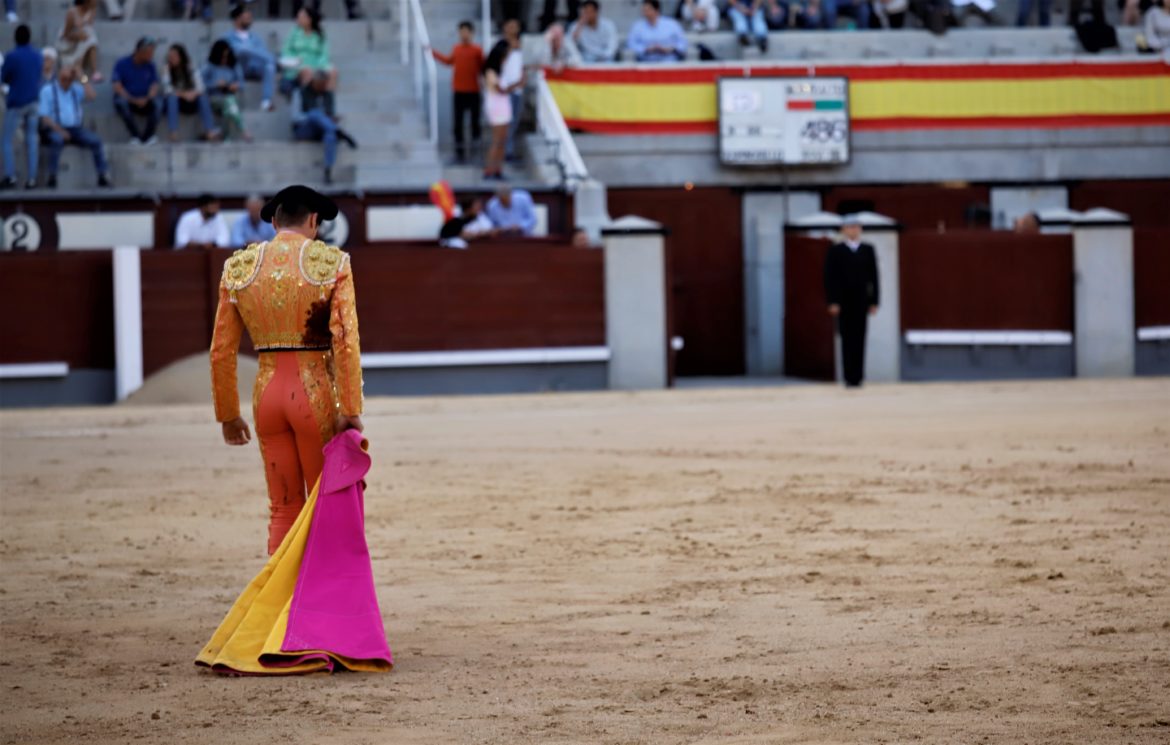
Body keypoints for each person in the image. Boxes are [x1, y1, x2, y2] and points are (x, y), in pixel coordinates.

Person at [210, 185, 364, 555]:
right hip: (312, 394)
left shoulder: (239, 267)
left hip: (266, 396)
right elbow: (345, 340)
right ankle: (323, 604)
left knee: (283, 508)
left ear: (275, 221)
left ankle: (281, 604)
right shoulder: (332, 263)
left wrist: (228, 416)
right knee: (325, 505)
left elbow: (221, 351)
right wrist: (351, 409)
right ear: (313, 221)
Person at [823, 216, 879, 388]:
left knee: (860, 337)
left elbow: (874, 277)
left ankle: (859, 376)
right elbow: (830, 277)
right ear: (843, 230)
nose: (853, 230)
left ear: (860, 229)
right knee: (846, 337)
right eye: (850, 227)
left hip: (861, 300)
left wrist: (874, 301)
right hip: (843, 301)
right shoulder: (836, 250)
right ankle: (848, 377)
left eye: (856, 227)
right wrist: (832, 301)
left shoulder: (868, 249)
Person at [38, 63, 112, 189]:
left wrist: (82, 77)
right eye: (64, 79)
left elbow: (92, 95)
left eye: (69, 79)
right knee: (56, 140)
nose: (66, 82)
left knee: (96, 141)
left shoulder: (76, 89)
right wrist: (60, 130)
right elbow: (45, 118)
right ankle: (52, 176)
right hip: (55, 128)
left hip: (75, 129)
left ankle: (102, 175)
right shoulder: (48, 90)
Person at [430, 21, 484, 164]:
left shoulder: (477, 50)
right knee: (458, 124)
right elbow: (448, 61)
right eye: (461, 31)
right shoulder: (457, 48)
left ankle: (475, 152)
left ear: (472, 33)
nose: (464, 34)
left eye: (466, 31)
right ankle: (459, 154)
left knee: (474, 123)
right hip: (459, 91)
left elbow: (483, 67)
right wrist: (433, 53)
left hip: (473, 91)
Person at [291, 71, 358, 185]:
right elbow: (295, 117)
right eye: (322, 84)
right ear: (315, 82)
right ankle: (339, 132)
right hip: (304, 129)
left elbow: (330, 114)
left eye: (325, 84)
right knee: (315, 113)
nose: (324, 87)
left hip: (323, 129)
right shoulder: (300, 93)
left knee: (330, 135)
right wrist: (317, 117)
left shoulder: (328, 95)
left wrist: (330, 119)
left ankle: (328, 169)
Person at [1, 25, 43, 190]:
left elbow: (3, 77)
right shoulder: (38, 55)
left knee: (6, 140)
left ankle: (10, 176)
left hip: (17, 102)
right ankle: (32, 179)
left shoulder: (12, 56)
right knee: (32, 140)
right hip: (33, 101)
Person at [162, 43, 222, 142]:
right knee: (171, 98)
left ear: (181, 56)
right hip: (176, 100)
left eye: (174, 56)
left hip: (191, 99)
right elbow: (167, 89)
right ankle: (173, 132)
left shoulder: (190, 67)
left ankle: (210, 131)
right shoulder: (166, 69)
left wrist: (193, 93)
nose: (172, 58)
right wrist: (183, 94)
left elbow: (201, 87)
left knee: (203, 97)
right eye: (170, 56)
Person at [225, 4, 276, 112]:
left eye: (250, 17)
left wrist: (267, 58)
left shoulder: (256, 38)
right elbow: (235, 53)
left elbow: (263, 54)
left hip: (255, 68)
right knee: (242, 50)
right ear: (237, 18)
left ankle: (266, 101)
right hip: (237, 70)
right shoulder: (227, 37)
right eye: (246, 16)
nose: (250, 18)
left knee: (270, 66)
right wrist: (268, 57)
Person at [112, 37, 162, 145]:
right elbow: (117, 86)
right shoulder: (122, 63)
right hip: (129, 98)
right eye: (149, 52)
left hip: (145, 99)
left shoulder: (151, 66)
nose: (152, 55)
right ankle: (135, 136)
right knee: (121, 102)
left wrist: (147, 98)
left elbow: (154, 85)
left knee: (158, 103)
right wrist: (133, 99)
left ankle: (148, 137)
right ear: (139, 52)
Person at [203, 40, 252, 141]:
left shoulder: (234, 66)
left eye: (227, 56)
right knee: (230, 103)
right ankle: (243, 130)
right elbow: (201, 84)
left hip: (230, 96)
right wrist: (215, 84)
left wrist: (235, 85)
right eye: (223, 56)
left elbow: (242, 83)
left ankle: (225, 136)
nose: (225, 59)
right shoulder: (209, 67)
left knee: (229, 105)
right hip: (214, 98)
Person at [281, 7, 337, 96]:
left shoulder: (320, 34)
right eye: (298, 17)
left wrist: (319, 66)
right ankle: (307, 102)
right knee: (307, 71)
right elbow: (286, 51)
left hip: (317, 64)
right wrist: (296, 60)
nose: (298, 19)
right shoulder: (294, 32)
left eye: (301, 17)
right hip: (297, 65)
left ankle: (328, 103)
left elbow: (324, 53)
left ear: (309, 20)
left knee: (333, 71)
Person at [482, 39, 512, 181]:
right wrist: (518, 84)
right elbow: (500, 90)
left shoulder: (502, 70)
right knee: (497, 139)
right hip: (496, 105)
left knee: (503, 140)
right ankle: (489, 169)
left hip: (504, 105)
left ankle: (498, 168)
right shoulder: (490, 71)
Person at [57, 0, 102, 84]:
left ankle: (92, 74)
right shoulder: (72, 12)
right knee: (78, 70)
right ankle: (85, 82)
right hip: (68, 46)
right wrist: (78, 36)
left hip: (81, 45)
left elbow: (88, 27)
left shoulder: (91, 11)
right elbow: (66, 35)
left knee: (91, 37)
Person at [500, 18, 525, 163]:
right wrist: (510, 48)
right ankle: (505, 151)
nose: (512, 29)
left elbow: (524, 64)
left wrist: (523, 79)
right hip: (505, 90)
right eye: (510, 26)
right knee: (505, 123)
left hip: (517, 89)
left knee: (514, 122)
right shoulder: (500, 45)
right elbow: (497, 63)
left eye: (515, 26)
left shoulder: (521, 46)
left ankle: (509, 150)